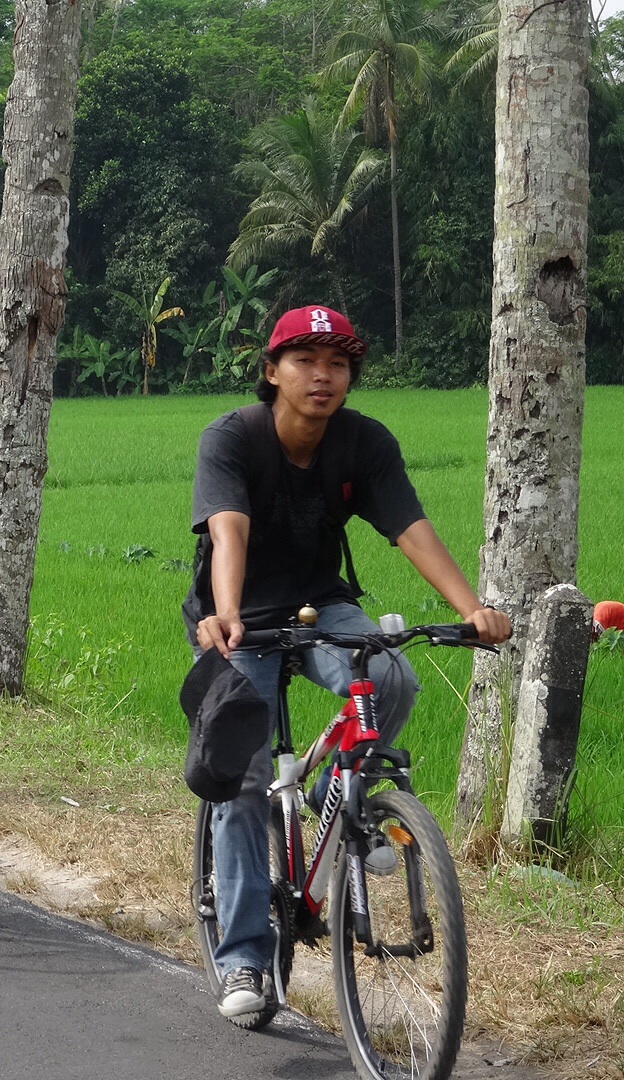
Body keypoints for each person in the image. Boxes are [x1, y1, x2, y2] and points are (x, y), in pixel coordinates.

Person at [182, 304, 511, 1025]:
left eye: (337, 363)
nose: (322, 376)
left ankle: (341, 798)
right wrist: (228, 612)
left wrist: (472, 608)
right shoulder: (233, 438)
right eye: (304, 361)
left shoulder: (363, 443)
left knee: (390, 675)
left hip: (319, 606)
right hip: (240, 617)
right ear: (272, 372)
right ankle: (243, 957)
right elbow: (229, 532)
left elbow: (410, 528)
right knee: (242, 779)